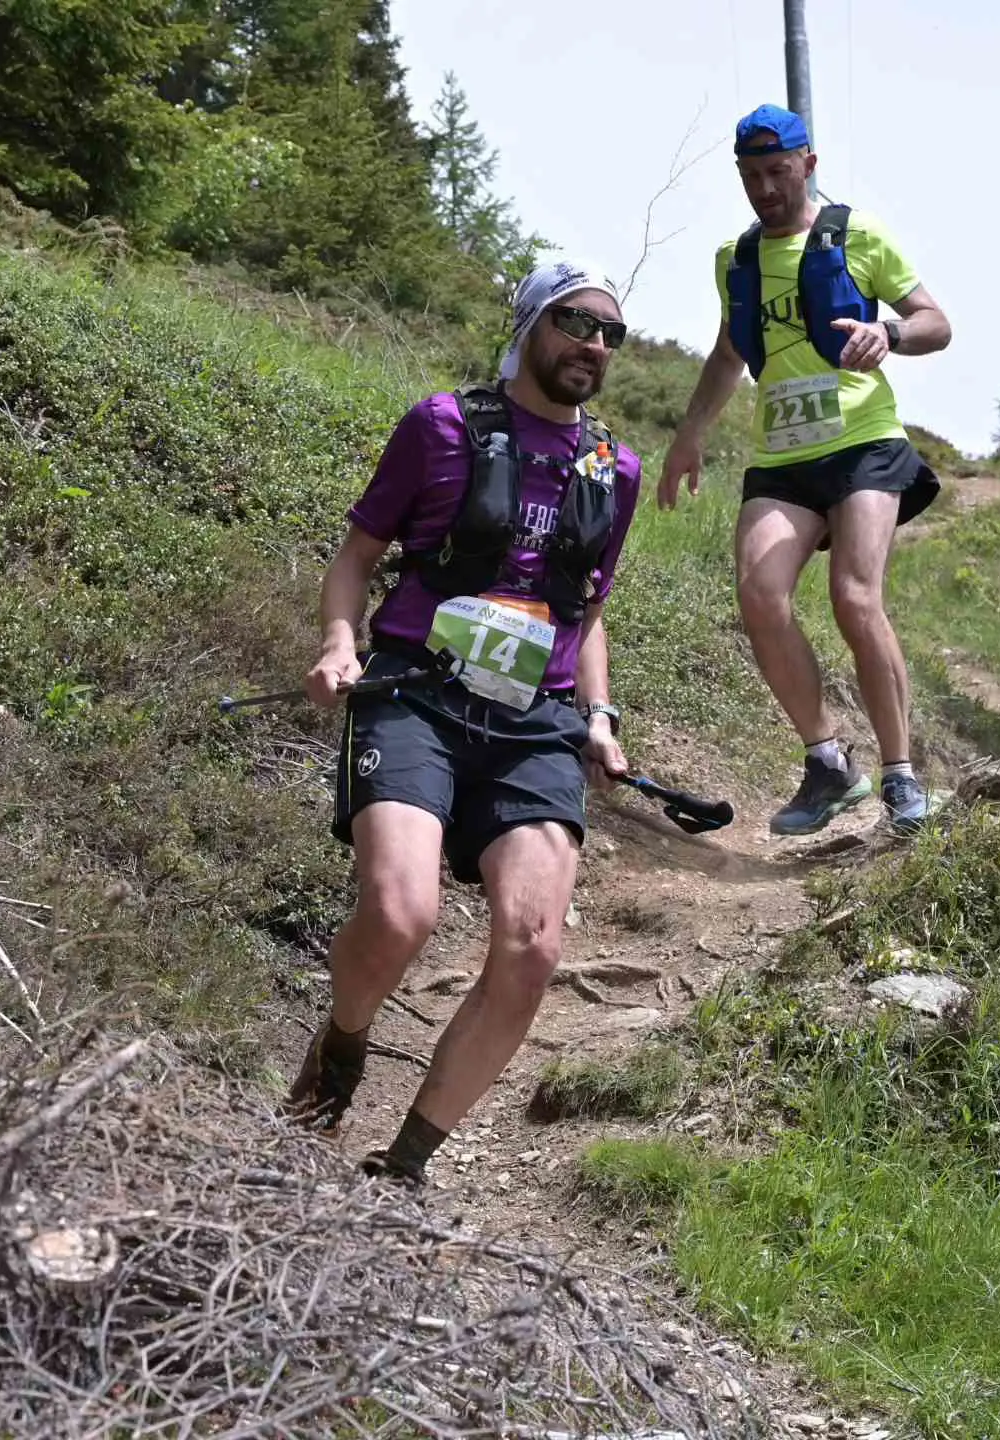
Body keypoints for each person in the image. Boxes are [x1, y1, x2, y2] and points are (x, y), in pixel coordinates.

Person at [287, 259, 642, 1185]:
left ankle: (405, 1164)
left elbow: (586, 611)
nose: (594, 344)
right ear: (529, 324)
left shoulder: (614, 469)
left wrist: (600, 716)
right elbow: (357, 557)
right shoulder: (443, 426)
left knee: (533, 948)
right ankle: (343, 1043)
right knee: (401, 912)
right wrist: (338, 644)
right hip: (418, 695)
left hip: (535, 725)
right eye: (575, 321)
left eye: (610, 332)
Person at [658, 104, 952, 836]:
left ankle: (902, 774)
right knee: (760, 593)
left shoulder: (858, 235)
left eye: (778, 172)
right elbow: (730, 351)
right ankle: (828, 764)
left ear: (808, 165)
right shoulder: (736, 259)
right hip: (783, 457)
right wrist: (689, 434)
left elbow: (935, 323)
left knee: (854, 597)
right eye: (751, 176)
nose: (765, 189)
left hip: (863, 443)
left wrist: (887, 333)